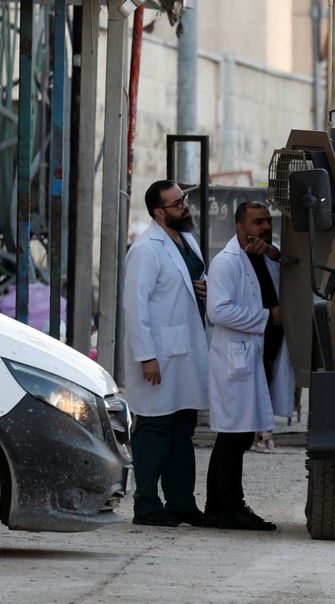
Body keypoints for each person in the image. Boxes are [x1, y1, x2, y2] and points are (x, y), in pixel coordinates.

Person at [123, 180, 211, 528]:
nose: (184, 206)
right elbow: (136, 307)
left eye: (184, 200)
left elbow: (186, 285)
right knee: (153, 428)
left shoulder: (185, 240)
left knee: (181, 428)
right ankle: (145, 504)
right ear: (159, 212)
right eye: (177, 203)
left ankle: (181, 502)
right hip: (160, 355)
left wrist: (201, 288)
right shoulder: (145, 249)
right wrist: (146, 357)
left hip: (186, 351)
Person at [203, 201, 293, 531]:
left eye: (268, 221)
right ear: (240, 226)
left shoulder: (266, 256)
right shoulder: (227, 263)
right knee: (233, 436)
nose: (265, 226)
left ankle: (219, 508)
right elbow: (219, 312)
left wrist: (271, 252)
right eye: (257, 222)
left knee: (239, 436)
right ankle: (227, 508)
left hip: (259, 356)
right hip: (236, 358)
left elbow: (293, 267)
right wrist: (268, 317)